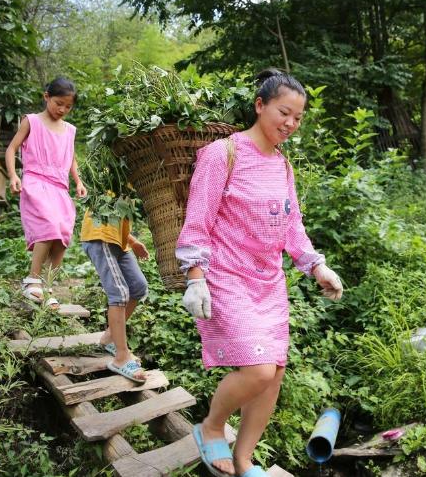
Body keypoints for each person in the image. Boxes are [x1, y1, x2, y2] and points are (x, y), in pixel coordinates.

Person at [176, 69, 344, 477]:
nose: (290, 123)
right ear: (259, 106)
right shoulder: (222, 154)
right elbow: (198, 220)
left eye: (298, 118)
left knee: (274, 373)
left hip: (269, 283)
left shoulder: (283, 166)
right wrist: (195, 278)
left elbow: (292, 225)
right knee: (258, 369)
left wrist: (317, 265)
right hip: (227, 277)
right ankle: (211, 426)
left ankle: (244, 458)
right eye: (284, 113)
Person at [5, 77, 86, 306]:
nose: (62, 110)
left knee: (63, 235)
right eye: (59, 103)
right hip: (36, 182)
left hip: (60, 187)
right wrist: (13, 175)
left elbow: (71, 158)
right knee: (49, 227)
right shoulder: (31, 121)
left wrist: (78, 181)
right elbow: (11, 149)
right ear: (46, 97)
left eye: (68, 106)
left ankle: (47, 286)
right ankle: (32, 280)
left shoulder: (69, 130)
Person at [80, 210, 150, 382]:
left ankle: (110, 336)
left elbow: (118, 218)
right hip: (100, 238)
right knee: (119, 293)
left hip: (120, 242)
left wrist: (132, 241)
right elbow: (100, 207)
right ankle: (121, 357)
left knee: (138, 287)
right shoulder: (103, 191)